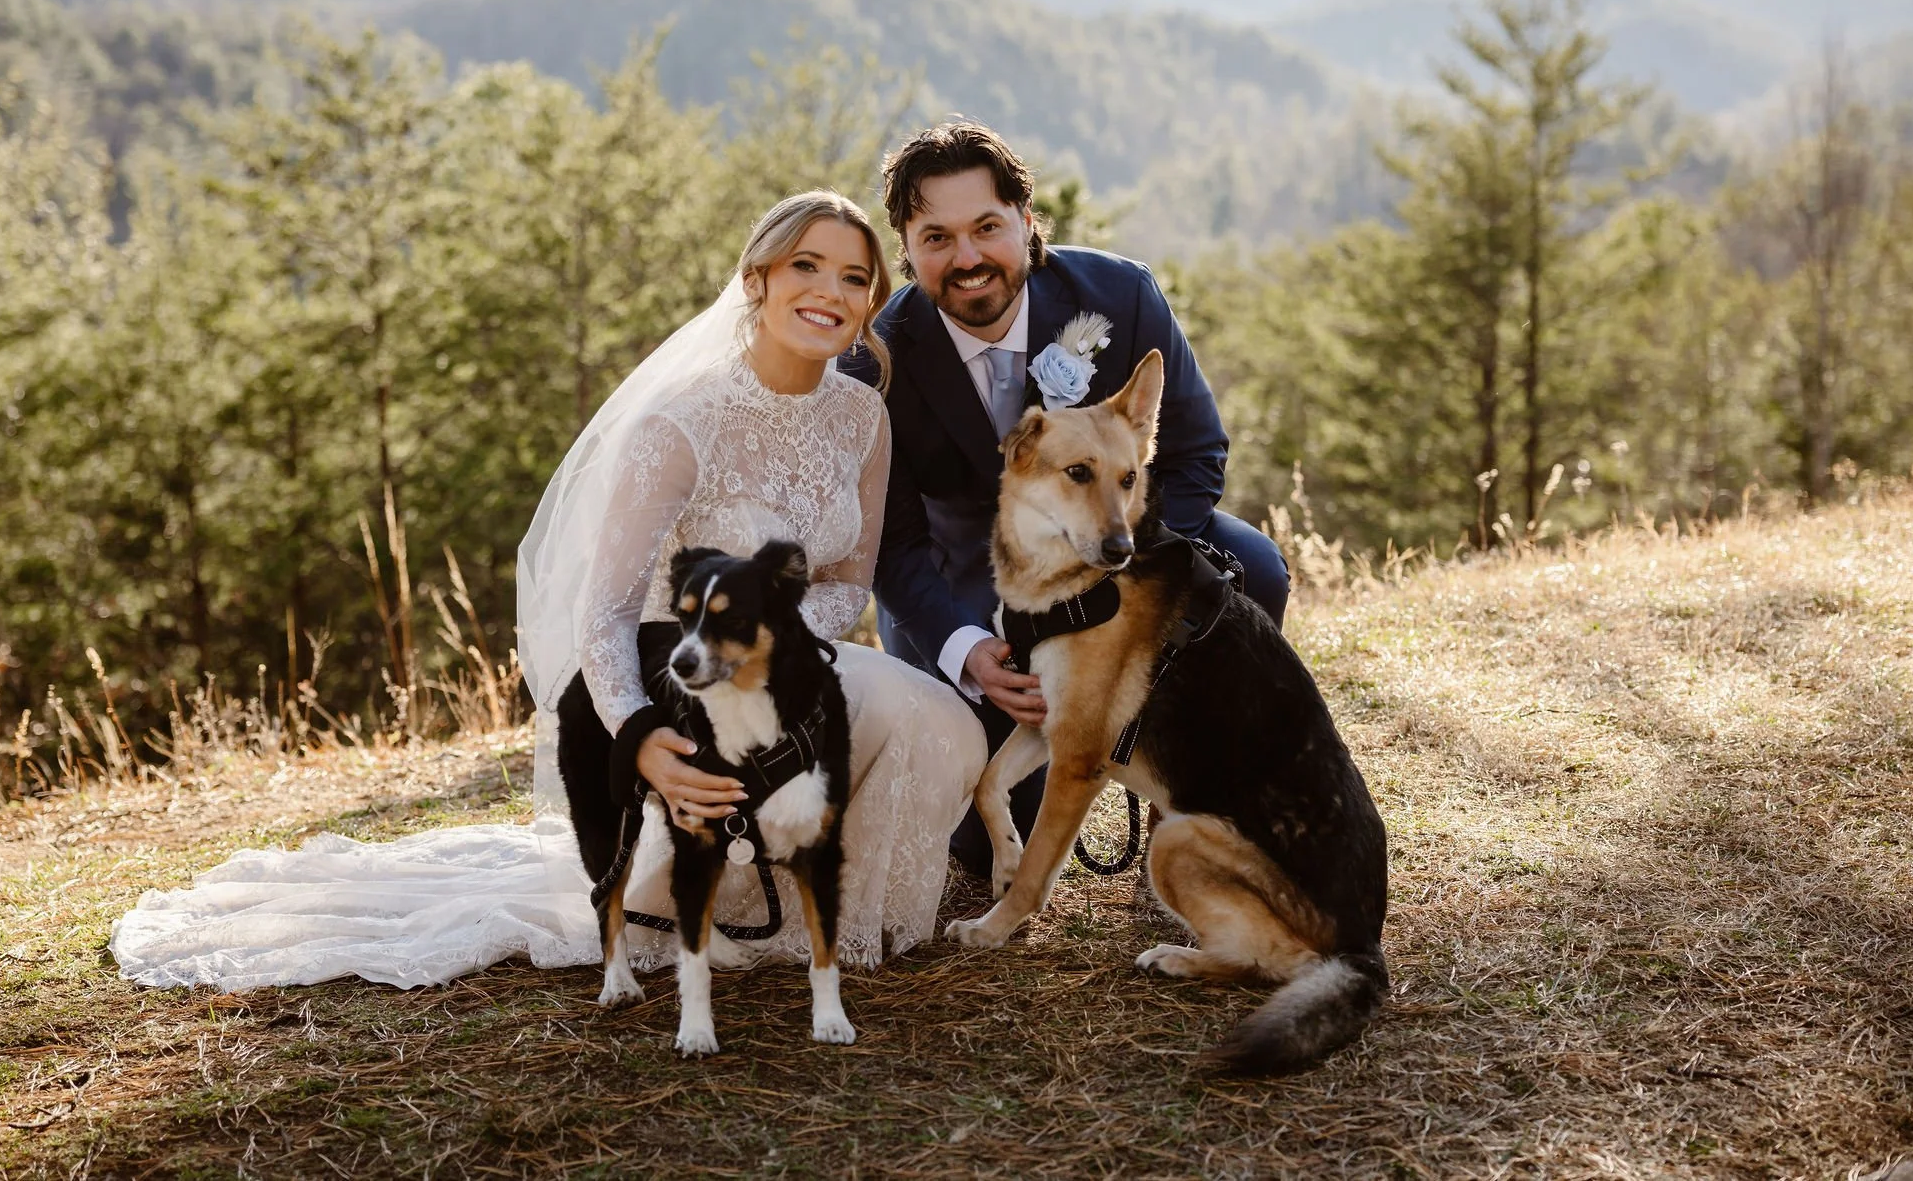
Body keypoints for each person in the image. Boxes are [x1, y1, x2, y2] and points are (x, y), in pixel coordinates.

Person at [110, 192, 985, 990]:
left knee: (936, 715)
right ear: (756, 279)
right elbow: (603, 611)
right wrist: (638, 733)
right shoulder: (682, 419)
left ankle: (831, 914)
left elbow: (848, 579)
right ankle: (688, 889)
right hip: (666, 670)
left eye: (855, 277)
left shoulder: (861, 416)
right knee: (896, 706)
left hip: (785, 653)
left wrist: (777, 641)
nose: (830, 290)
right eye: (807, 266)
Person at [840, 122, 1289, 877]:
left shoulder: (1119, 294)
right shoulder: (876, 360)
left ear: (1025, 218)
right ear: (907, 248)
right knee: (981, 847)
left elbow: (1193, 449)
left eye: (987, 227)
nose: (969, 258)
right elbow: (893, 541)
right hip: (969, 588)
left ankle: (1183, 786)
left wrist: (1123, 579)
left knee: (1254, 569)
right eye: (937, 238)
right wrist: (965, 651)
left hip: (1123, 544)